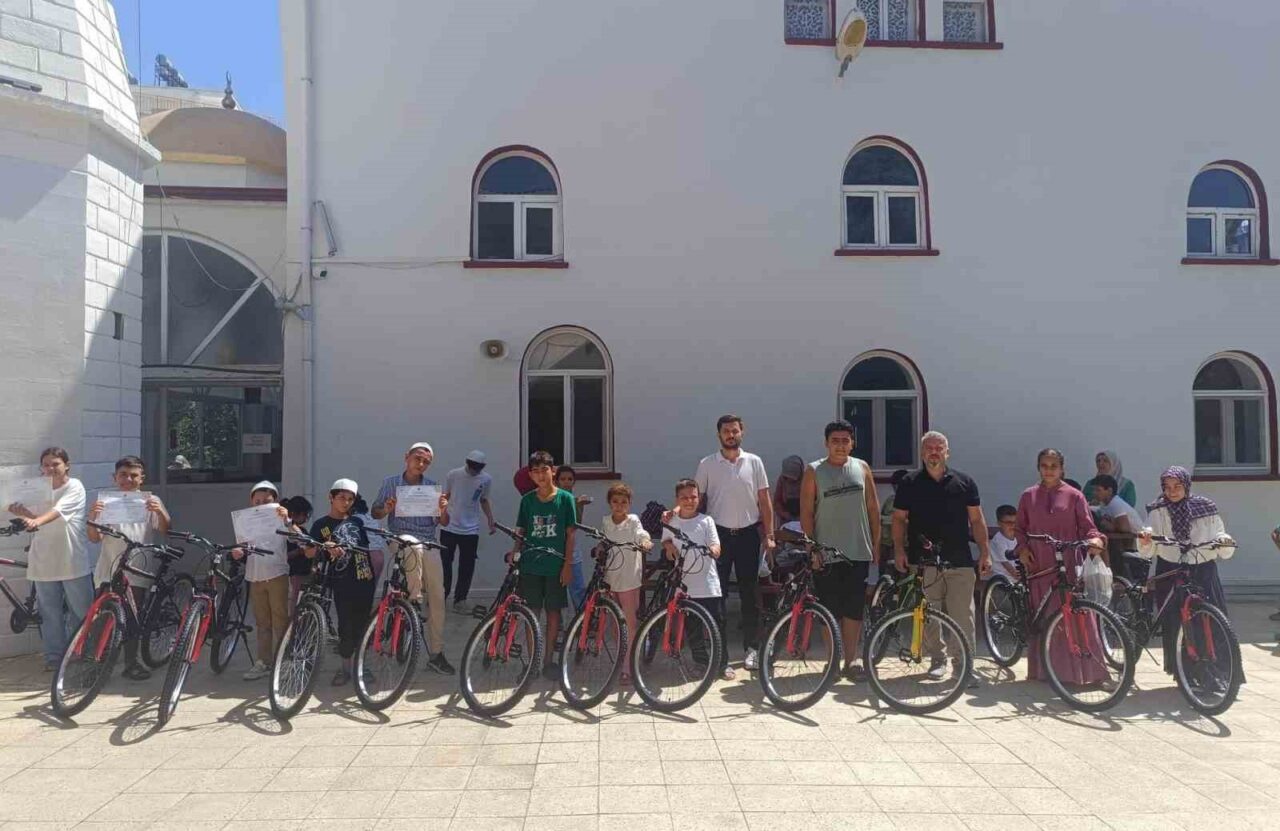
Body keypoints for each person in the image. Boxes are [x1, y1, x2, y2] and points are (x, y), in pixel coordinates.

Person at [892, 432, 991, 687]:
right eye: (929, 448)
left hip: (959, 561)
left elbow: (977, 520)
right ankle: (938, 660)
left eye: (939, 448)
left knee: (963, 616)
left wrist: (985, 552)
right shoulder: (909, 482)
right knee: (928, 615)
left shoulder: (965, 482)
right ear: (922, 452)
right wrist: (899, 551)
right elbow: (899, 519)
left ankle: (964, 666)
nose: (934, 452)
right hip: (923, 561)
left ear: (947, 452)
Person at [1015, 449, 1110, 687]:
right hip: (1039, 565)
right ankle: (1045, 672)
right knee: (1044, 616)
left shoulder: (1075, 496)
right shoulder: (1028, 496)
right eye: (1044, 465)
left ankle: (1088, 671)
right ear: (1038, 468)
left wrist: (1096, 540)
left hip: (1068, 563)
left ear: (1062, 468)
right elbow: (1019, 528)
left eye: (1053, 465)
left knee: (1077, 615)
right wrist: (1023, 548)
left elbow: (1088, 527)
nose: (1049, 470)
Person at [1138, 466, 1238, 679]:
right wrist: (1146, 538)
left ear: (1187, 485)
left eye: (1177, 486)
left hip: (1202, 569)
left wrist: (1224, 540)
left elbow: (1219, 532)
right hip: (1172, 569)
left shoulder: (1205, 507)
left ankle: (1219, 671)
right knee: (1177, 621)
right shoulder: (1157, 509)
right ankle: (1187, 674)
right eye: (1167, 487)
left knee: (1210, 619)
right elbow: (1148, 539)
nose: (1172, 491)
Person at [800, 420, 880, 681]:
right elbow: (807, 513)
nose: (841, 445)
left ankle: (852, 660)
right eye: (835, 440)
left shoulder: (862, 468)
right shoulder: (814, 471)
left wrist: (876, 545)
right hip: (826, 554)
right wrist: (812, 549)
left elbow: (872, 510)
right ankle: (832, 661)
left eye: (846, 440)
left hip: (857, 551)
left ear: (852, 443)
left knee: (853, 609)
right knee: (829, 609)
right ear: (826, 443)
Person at [694, 414, 774, 672]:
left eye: (735, 430)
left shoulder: (755, 462)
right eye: (726, 431)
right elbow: (696, 500)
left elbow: (765, 500)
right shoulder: (707, 463)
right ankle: (722, 656)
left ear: (742, 432)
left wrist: (769, 535)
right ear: (719, 435)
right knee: (718, 596)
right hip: (718, 536)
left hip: (749, 535)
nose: (731, 435)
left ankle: (752, 649)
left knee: (750, 596)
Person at [372, 442, 454, 674]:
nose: (421, 464)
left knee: (438, 596)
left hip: (428, 540)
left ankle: (437, 652)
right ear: (406, 457)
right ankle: (415, 598)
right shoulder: (390, 483)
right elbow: (375, 512)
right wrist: (387, 509)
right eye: (418, 458)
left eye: (426, 461)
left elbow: (444, 523)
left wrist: (443, 509)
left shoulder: (432, 487)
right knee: (411, 545)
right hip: (400, 537)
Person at [86, 455, 171, 681]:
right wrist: (92, 516)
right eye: (123, 475)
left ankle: (131, 663)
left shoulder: (150, 500)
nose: (128, 479)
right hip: (108, 568)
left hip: (137, 568)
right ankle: (96, 665)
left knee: (133, 617)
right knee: (103, 618)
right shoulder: (105, 503)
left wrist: (159, 511)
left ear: (142, 478)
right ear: (115, 478)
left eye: (134, 475)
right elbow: (94, 538)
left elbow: (165, 529)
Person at [7, 448, 92, 672]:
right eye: (46, 465)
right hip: (43, 561)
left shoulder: (75, 486)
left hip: (72, 560)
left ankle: (80, 653)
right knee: (49, 614)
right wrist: (20, 511)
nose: (50, 468)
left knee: (81, 612)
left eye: (55, 464)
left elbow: (57, 512)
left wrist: (36, 521)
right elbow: (35, 520)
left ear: (67, 465)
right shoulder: (37, 490)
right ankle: (54, 658)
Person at [510, 450, 577, 679]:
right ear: (531, 475)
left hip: (556, 566)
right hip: (531, 565)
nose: (541, 475)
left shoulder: (566, 499)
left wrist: (568, 565)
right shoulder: (527, 501)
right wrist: (515, 553)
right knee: (532, 613)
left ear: (553, 471)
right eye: (536, 471)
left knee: (553, 614)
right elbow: (521, 531)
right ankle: (532, 663)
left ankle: (548, 661)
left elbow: (570, 535)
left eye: (544, 470)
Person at [307, 478, 377, 686]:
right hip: (341, 581)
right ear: (331, 497)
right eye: (341, 498)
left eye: (349, 499)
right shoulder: (321, 525)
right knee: (345, 624)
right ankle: (345, 668)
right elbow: (308, 550)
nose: (345, 503)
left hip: (364, 576)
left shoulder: (357, 521)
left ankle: (362, 666)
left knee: (363, 623)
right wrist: (324, 545)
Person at [661, 478, 727, 678]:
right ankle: (701, 662)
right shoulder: (671, 520)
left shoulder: (706, 521)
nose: (689, 501)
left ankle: (723, 664)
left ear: (699, 498)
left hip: (708, 584)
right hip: (685, 585)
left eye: (693, 497)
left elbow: (716, 546)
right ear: (677, 499)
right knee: (693, 627)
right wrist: (668, 546)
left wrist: (713, 550)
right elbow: (665, 540)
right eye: (684, 497)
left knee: (717, 624)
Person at [233, 482, 291, 681]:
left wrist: (288, 521)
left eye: (266, 501)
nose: (261, 504)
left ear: (275, 501)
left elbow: (299, 538)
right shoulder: (246, 520)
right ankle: (263, 661)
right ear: (251, 501)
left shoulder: (281, 517)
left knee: (280, 620)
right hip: (255, 576)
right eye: (257, 501)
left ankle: (285, 660)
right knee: (262, 622)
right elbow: (242, 546)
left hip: (277, 574)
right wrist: (238, 551)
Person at [599, 482, 652, 684]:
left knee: (629, 621)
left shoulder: (633, 521)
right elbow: (603, 541)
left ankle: (629, 666)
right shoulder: (606, 521)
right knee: (614, 621)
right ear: (609, 503)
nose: (619, 505)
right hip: (610, 579)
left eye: (623, 502)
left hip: (629, 578)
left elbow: (641, 534)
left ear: (629, 504)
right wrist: (600, 548)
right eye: (615, 502)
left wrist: (645, 542)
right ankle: (623, 653)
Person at [439, 450, 496, 613]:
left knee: (467, 566)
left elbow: (484, 500)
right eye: (471, 466)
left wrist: (490, 520)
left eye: (477, 467)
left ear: (482, 467)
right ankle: (441, 596)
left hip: (471, 529)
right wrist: (440, 515)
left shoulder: (486, 479)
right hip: (449, 526)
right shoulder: (454, 475)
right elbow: (446, 495)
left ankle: (460, 599)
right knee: (445, 563)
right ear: (467, 462)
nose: (473, 470)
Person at [1091, 474, 1145, 581]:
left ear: (1109, 490)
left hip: (1136, 549)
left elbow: (1125, 529)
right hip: (1127, 548)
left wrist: (1109, 525)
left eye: (1098, 490)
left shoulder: (1116, 504)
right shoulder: (1105, 504)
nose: (1095, 493)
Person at [555, 465, 593, 612]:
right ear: (557, 481)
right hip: (555, 551)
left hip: (572, 552)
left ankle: (583, 624)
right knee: (556, 593)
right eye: (563, 479)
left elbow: (575, 525)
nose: (566, 482)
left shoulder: (575, 500)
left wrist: (580, 505)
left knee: (578, 589)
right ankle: (558, 625)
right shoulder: (553, 500)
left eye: (570, 479)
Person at [282, 495, 313, 614]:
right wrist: (298, 551)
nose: (306, 519)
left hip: (305, 570)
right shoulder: (286, 530)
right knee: (294, 600)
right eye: (305, 515)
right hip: (294, 572)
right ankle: (292, 623)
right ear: (295, 514)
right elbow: (282, 555)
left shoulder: (301, 530)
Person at [989, 505, 1020, 581]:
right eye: (1008, 523)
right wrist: (1019, 577)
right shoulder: (998, 540)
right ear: (999, 523)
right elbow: (1006, 564)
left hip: (1016, 577)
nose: (1012, 525)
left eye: (1015, 522)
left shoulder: (1018, 537)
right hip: (1002, 577)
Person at [773, 456, 805, 527]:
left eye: (792, 478)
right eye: (787, 478)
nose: (789, 480)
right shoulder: (782, 480)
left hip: (804, 519)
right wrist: (784, 513)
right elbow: (776, 502)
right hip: (786, 519)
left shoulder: (807, 480)